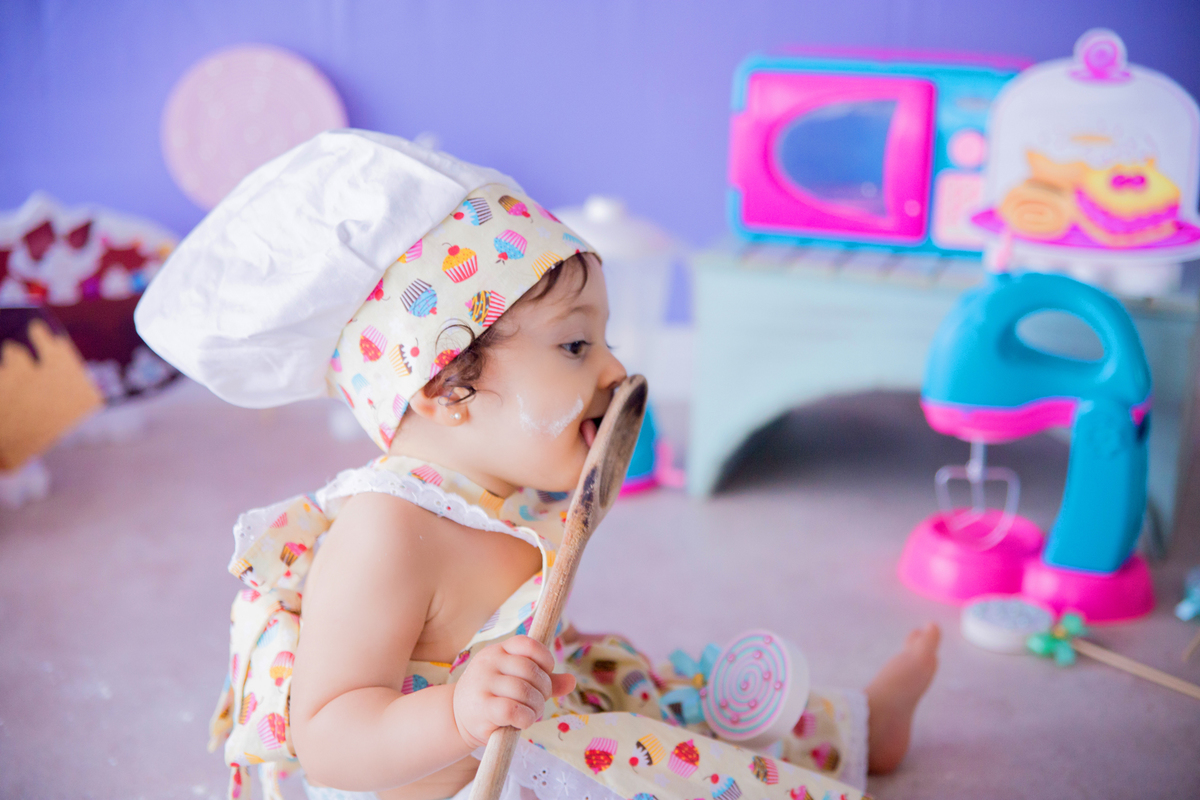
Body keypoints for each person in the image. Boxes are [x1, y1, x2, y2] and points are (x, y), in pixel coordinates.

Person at [136, 130, 939, 800]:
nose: (614, 371)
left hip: (536, 722)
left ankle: (856, 725)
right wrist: (456, 715)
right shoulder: (385, 531)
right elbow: (329, 736)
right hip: (461, 776)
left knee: (671, 711)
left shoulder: (487, 491)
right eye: (576, 345)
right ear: (447, 385)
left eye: (606, 341)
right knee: (652, 759)